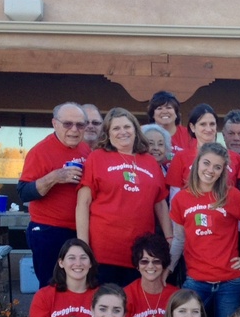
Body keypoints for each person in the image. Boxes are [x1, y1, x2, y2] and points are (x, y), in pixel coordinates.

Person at [76, 107, 171, 286]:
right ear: (108, 134)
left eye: (127, 127)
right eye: (116, 128)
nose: (122, 132)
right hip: (105, 250)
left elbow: (160, 204)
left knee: (135, 308)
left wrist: (169, 240)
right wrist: (83, 246)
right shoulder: (97, 157)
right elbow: (83, 203)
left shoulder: (150, 162)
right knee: (107, 307)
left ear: (135, 130)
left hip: (142, 253)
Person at [169, 142, 240, 317]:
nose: (210, 170)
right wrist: (169, 268)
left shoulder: (231, 195)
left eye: (217, 166)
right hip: (196, 281)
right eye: (206, 163)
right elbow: (179, 239)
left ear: (223, 171)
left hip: (230, 282)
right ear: (197, 163)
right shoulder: (181, 199)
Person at [18, 102, 91, 287]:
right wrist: (54, 177)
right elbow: (24, 192)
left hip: (79, 230)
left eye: (80, 125)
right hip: (48, 230)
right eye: (67, 124)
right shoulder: (40, 151)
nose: (74, 130)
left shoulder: (85, 150)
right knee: (52, 285)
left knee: (78, 285)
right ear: (55, 123)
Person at [165, 103, 240, 192]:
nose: (209, 129)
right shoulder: (181, 157)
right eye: (203, 124)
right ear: (192, 127)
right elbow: (174, 195)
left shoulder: (235, 158)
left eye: (212, 124)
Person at [120, 233, 176, 317]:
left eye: (156, 261)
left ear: (164, 264)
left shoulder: (176, 295)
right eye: (144, 261)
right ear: (137, 265)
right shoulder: (126, 294)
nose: (150, 266)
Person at [146, 90, 191, 154]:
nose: (164, 112)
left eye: (169, 107)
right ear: (152, 114)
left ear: (176, 113)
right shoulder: (144, 135)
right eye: (159, 108)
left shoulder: (189, 135)